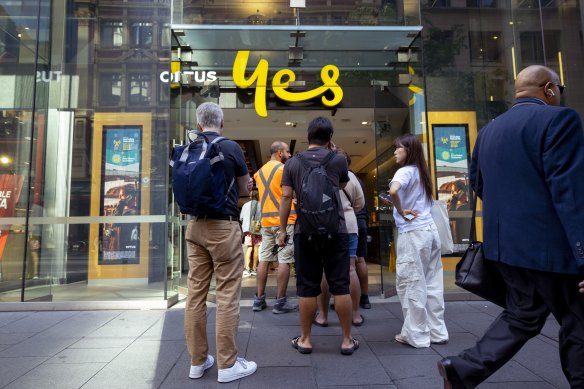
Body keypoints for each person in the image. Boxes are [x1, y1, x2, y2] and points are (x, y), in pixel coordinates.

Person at [437, 65, 584, 388]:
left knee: (523, 315)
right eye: (559, 89)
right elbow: (570, 192)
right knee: (578, 321)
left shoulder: (490, 130)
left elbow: (478, 184)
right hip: (554, 252)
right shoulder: (561, 120)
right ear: (548, 89)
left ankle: (462, 369)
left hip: (506, 249)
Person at [183, 102, 257, 383]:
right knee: (226, 295)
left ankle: (197, 361)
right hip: (223, 227)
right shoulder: (230, 147)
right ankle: (227, 365)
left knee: (195, 295)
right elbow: (241, 188)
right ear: (221, 124)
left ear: (199, 124)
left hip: (194, 227)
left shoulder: (190, 147)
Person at [278, 116, 359, 355]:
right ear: (330, 138)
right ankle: (346, 341)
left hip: (305, 231)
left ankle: (305, 340)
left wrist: (283, 229)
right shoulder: (338, 160)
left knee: (307, 286)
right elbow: (342, 186)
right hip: (336, 230)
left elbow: (285, 197)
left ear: (308, 137)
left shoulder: (293, 163)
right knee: (340, 285)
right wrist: (333, 156)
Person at [388, 134, 448, 348]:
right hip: (430, 232)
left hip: (413, 233)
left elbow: (393, 190)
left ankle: (417, 335)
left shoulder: (404, 171)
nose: (395, 152)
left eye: (399, 148)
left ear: (409, 151)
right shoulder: (422, 173)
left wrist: (399, 209)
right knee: (432, 283)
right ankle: (437, 332)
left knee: (412, 283)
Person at [314, 148, 365, 327]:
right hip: (348, 225)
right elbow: (360, 204)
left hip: (326, 225)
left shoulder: (320, 174)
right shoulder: (351, 177)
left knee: (325, 271)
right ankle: (356, 314)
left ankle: (322, 315)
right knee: (351, 269)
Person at [252, 141, 298, 314]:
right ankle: (280, 303)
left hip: (266, 223)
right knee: (284, 261)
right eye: (287, 152)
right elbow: (288, 195)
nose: (290, 155)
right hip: (284, 222)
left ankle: (259, 300)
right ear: (280, 153)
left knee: (264, 259)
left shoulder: (259, 173)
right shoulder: (284, 170)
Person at [239, 190, 261, 277]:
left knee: (249, 248)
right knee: (256, 248)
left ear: (250, 196)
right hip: (257, 229)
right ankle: (255, 269)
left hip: (247, 230)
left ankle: (247, 269)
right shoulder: (260, 205)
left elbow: (241, 218)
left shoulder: (245, 205)